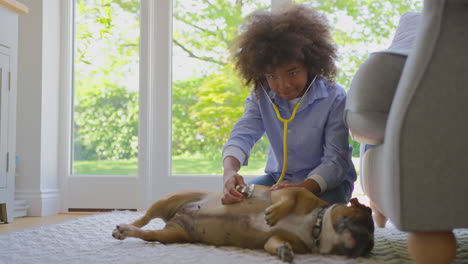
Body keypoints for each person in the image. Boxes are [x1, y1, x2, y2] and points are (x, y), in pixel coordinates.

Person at [221, 4, 356, 205]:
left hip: (326, 184)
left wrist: (299, 190)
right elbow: (244, 133)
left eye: (292, 72)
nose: (283, 85)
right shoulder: (261, 95)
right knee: (238, 205)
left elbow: (335, 162)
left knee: (303, 216)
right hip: (279, 181)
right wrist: (229, 172)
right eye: (272, 76)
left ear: (310, 66)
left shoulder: (334, 97)